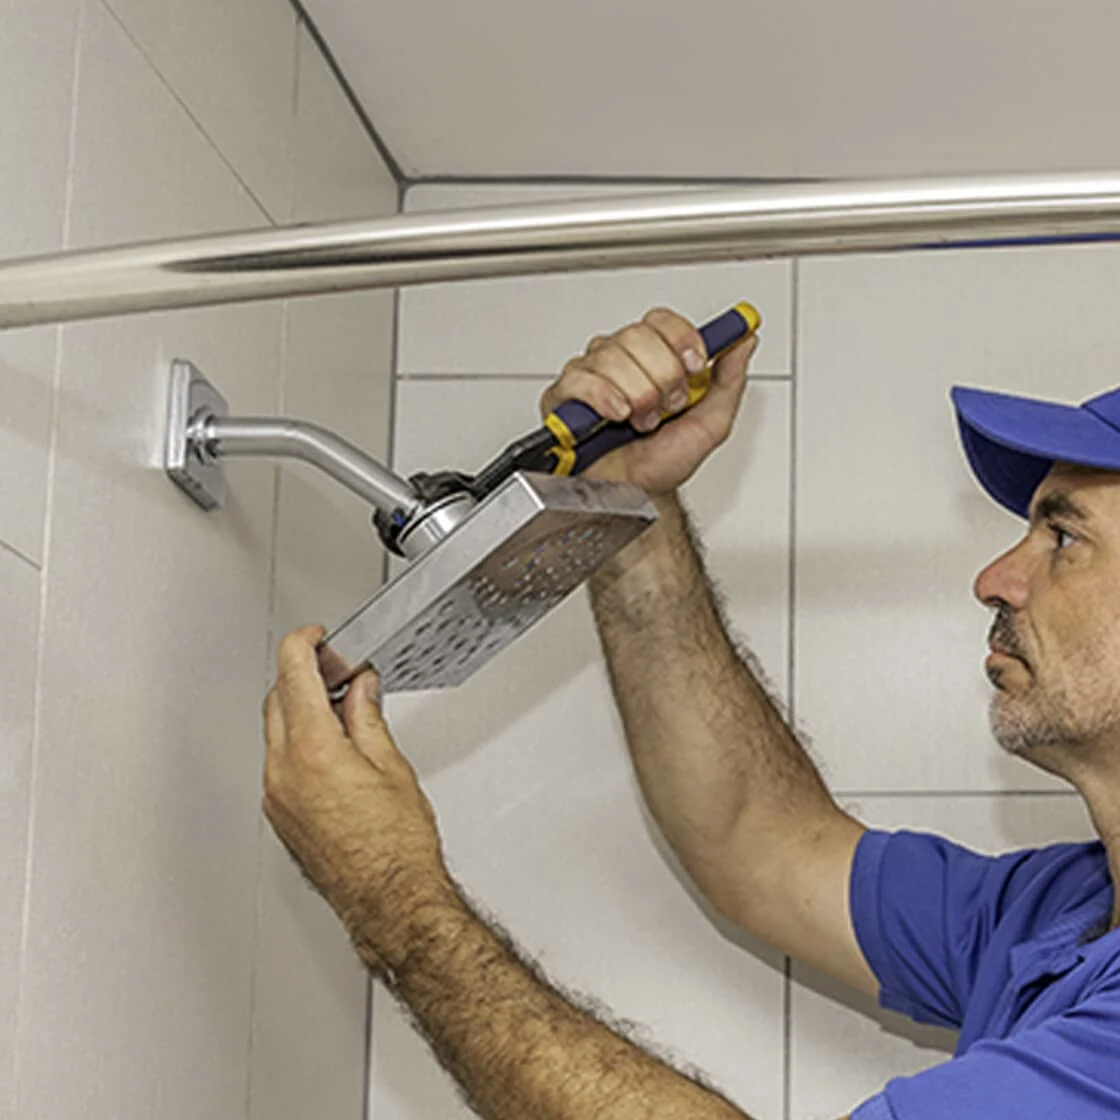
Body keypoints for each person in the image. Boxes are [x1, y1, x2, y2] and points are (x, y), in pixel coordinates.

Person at [262, 307, 1120, 1120]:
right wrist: (626, 497)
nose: (995, 580)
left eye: (1063, 537)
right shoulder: (1063, 913)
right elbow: (758, 839)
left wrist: (396, 906)